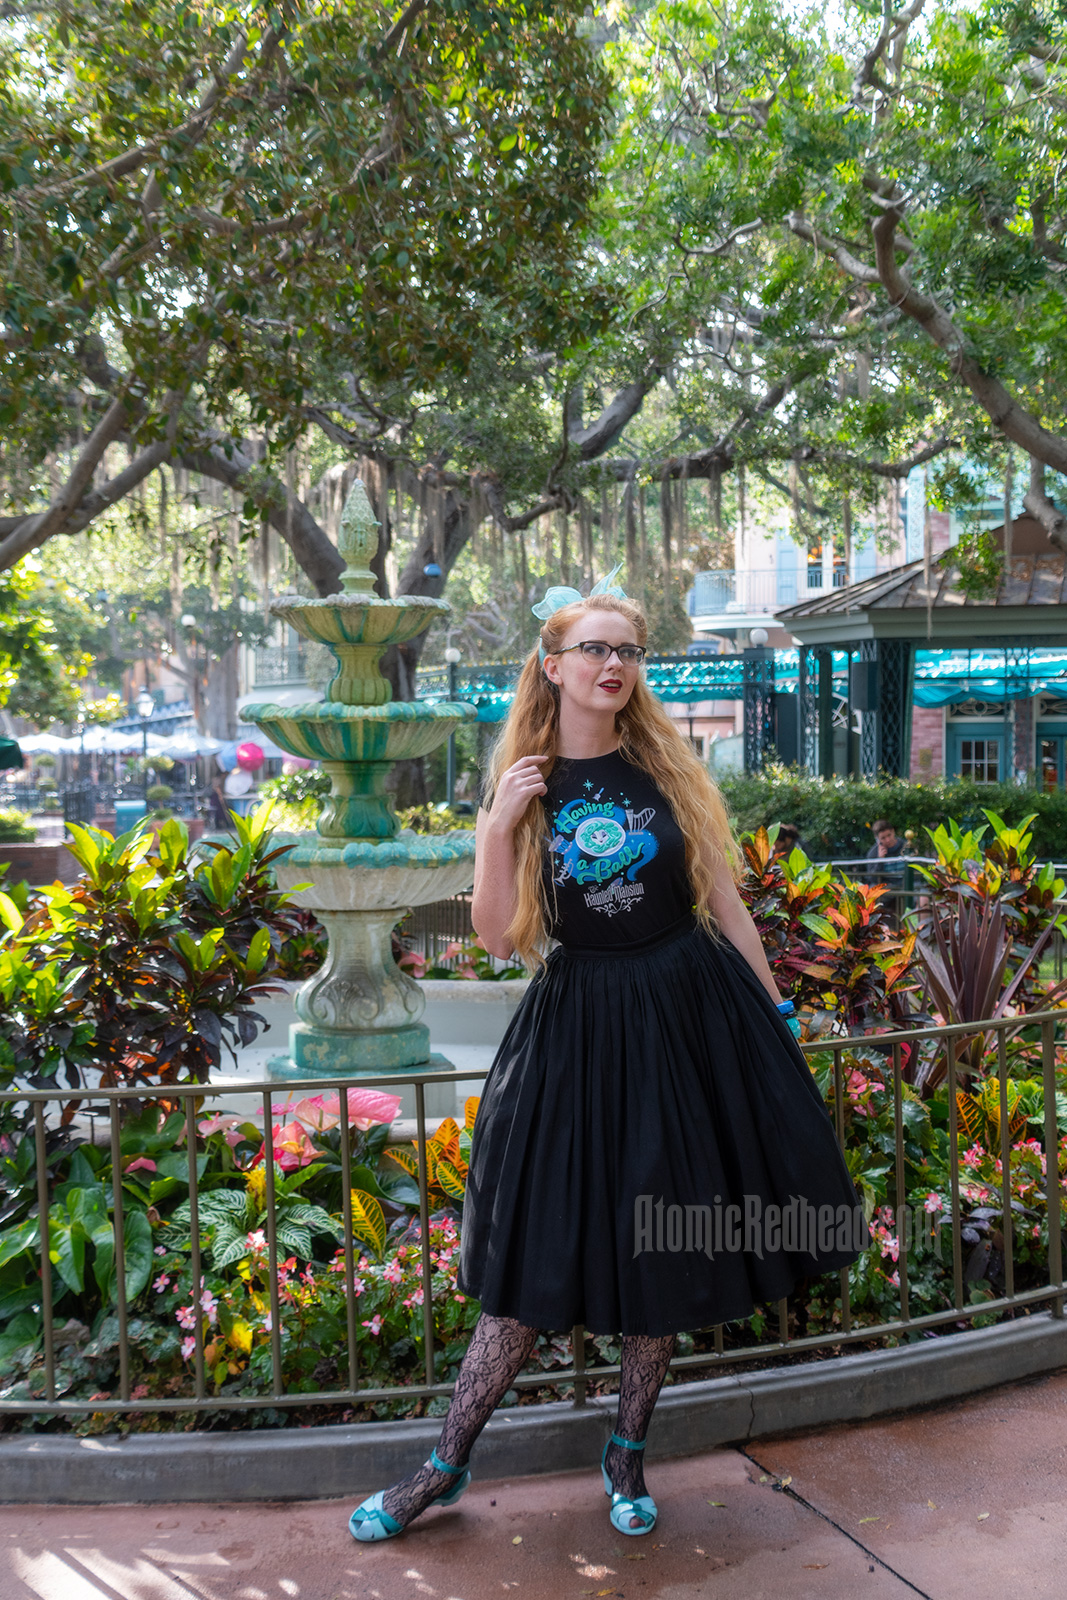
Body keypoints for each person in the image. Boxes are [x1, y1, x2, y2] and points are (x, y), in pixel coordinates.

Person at [348, 570, 867, 1545]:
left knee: (662, 1248)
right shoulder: (525, 788)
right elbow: (498, 938)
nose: (611, 664)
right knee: (529, 1263)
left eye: (625, 650)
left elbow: (723, 902)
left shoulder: (665, 771)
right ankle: (441, 1466)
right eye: (592, 649)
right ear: (551, 666)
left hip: (684, 1018)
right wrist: (496, 825)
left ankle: (626, 1451)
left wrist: (771, 1016)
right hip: (578, 1031)